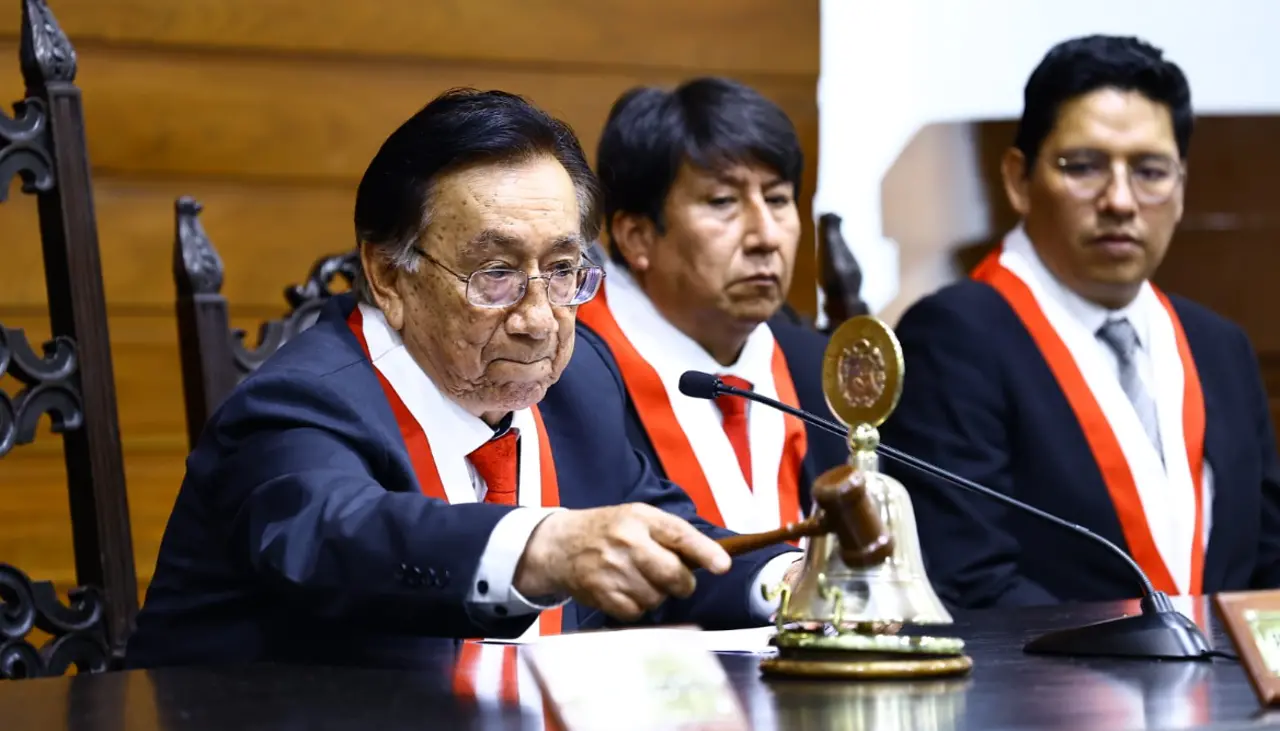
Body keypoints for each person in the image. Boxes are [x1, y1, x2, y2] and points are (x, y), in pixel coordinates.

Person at [126, 88, 801, 670]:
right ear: (389, 275)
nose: (539, 319)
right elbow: (344, 534)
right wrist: (541, 546)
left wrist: (792, 583)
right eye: (497, 275)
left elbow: (662, 543)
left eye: (564, 270)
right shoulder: (301, 403)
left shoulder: (579, 381)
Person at [881, 35, 1280, 608]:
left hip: (1233, 695)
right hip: (1047, 693)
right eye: (1084, 167)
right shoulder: (954, 336)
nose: (1120, 199)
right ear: (1019, 180)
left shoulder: (1218, 346)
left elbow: (1266, 562)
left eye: (1151, 171)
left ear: (1182, 188)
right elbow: (968, 579)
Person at [576, 78, 846, 536]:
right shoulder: (568, 378)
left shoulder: (816, 369)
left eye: (778, 199)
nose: (766, 237)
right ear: (636, 236)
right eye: (723, 202)